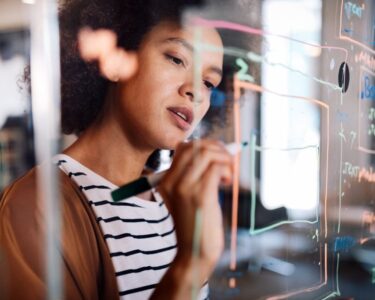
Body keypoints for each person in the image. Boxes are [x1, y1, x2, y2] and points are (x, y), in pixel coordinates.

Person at [0, 0, 233, 299]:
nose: (196, 92)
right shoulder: (34, 207)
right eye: (176, 59)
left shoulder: (175, 199)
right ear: (115, 59)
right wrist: (190, 265)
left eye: (209, 82)